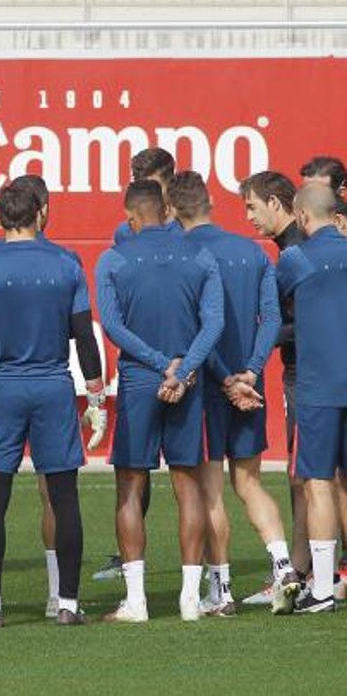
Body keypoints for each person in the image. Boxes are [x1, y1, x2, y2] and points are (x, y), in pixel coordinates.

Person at [0, 181, 103, 628]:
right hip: (53, 387)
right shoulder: (66, 263)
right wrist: (96, 394)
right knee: (64, 496)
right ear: (40, 212)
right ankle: (69, 604)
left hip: (2, 389)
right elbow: (84, 335)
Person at [96, 179, 223, 623]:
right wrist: (183, 369)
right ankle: (190, 601)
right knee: (188, 487)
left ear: (131, 217)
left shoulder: (112, 258)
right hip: (187, 383)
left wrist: (158, 364)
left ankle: (137, 602)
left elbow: (112, 325)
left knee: (130, 487)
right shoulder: (200, 257)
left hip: (138, 382)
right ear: (167, 210)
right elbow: (215, 324)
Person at [170, 171, 295, 616]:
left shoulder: (180, 254)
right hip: (249, 386)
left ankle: (220, 592)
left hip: (208, 388)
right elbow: (270, 318)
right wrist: (253, 373)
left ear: (172, 209)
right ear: (210, 203)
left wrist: (227, 378)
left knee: (210, 493)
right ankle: (283, 567)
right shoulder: (251, 252)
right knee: (249, 482)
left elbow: (197, 329)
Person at [239, 170, 315, 602]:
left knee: (307, 475)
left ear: (275, 202)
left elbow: (306, 321)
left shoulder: (294, 254)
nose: (249, 217)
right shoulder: (290, 250)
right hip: (303, 373)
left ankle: (307, 572)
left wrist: (262, 337)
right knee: (306, 475)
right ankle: (308, 568)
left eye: (252, 206)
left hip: (307, 376)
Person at [275, 182, 347, 614]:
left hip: (318, 388)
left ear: (301, 217)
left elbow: (270, 314)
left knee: (318, 483)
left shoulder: (295, 259)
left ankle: (322, 589)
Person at [111, 147, 176, 245]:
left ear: (171, 184)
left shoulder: (189, 231)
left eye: (154, 189)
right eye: (142, 189)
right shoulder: (125, 233)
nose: (147, 196)